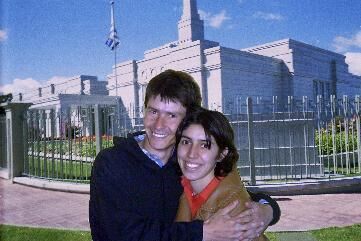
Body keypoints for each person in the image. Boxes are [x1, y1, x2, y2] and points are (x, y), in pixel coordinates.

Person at [89, 69, 280, 241]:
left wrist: (268, 210)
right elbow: (119, 233)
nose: (159, 125)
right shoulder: (112, 162)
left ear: (187, 120)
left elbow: (230, 191)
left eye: (172, 115)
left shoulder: (187, 162)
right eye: (153, 111)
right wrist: (203, 233)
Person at [175, 107, 269, 241]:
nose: (191, 153)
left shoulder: (234, 210)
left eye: (204, 145)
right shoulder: (186, 188)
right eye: (186, 142)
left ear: (221, 154)